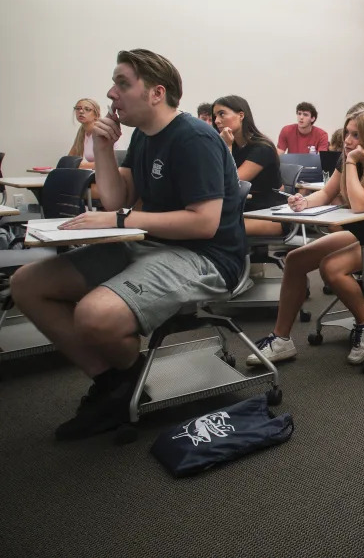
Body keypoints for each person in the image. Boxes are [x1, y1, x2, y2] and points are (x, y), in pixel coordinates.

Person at [11, 49, 245, 441]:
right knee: (27, 284)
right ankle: (117, 385)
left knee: (94, 315)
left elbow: (204, 224)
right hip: (152, 244)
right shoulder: (143, 138)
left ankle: (120, 388)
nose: (111, 93)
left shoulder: (194, 138)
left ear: (156, 93)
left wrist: (121, 220)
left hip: (207, 258)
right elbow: (116, 199)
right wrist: (102, 147)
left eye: (122, 83)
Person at [249, 109, 364, 366]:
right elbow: (325, 194)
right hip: (361, 232)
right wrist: (303, 202)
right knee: (295, 260)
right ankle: (282, 340)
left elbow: (360, 204)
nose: (347, 140)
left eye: (355, 135)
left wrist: (350, 163)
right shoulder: (347, 157)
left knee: (332, 268)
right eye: (347, 133)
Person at [213, 95, 286, 237]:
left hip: (271, 212)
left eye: (222, 114)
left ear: (241, 115)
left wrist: (226, 147)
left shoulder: (262, 148)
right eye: (215, 116)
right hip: (244, 208)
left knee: (216, 229)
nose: (216, 121)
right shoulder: (233, 145)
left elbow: (232, 182)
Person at [68, 98, 102, 168]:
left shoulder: (102, 132)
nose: (81, 111)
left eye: (87, 109)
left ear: (96, 115)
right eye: (78, 108)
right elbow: (69, 159)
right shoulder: (82, 133)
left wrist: (79, 165)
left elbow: (110, 163)